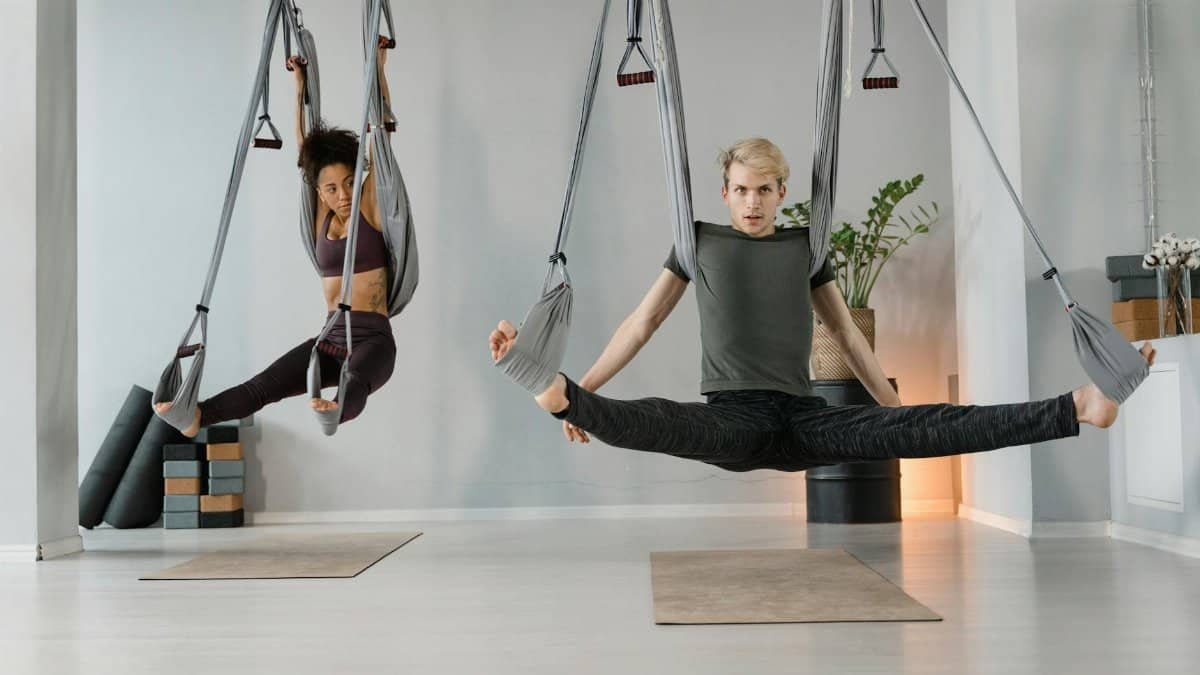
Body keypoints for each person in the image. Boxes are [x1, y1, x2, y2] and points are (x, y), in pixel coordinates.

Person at [489, 137, 1156, 472]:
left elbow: (849, 337)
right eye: (741, 190)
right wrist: (595, 383)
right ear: (724, 192)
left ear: (783, 193)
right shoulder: (698, 242)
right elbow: (643, 324)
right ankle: (560, 392)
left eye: (765, 190)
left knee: (948, 421)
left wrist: (901, 416)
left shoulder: (804, 247)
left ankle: (1080, 406)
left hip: (806, 418)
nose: (752, 203)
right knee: (661, 421)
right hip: (736, 418)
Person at [156, 37, 399, 438]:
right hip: (329, 338)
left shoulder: (368, 209)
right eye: (332, 188)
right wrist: (300, 86)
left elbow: (382, 141)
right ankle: (196, 416)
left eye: (349, 184)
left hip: (373, 343)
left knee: (353, 382)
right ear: (319, 191)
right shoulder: (321, 212)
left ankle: (335, 411)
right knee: (264, 386)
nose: (342, 196)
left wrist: (379, 68)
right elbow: (306, 152)